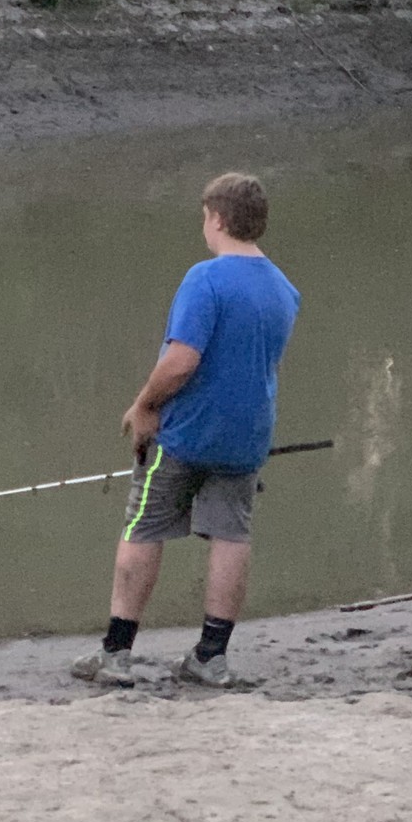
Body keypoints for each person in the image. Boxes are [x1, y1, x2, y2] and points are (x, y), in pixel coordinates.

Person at [72, 170, 300, 690]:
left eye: (205, 217)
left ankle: (116, 654)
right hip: (248, 437)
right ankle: (211, 657)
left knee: (143, 526)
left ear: (217, 219)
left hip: (187, 433)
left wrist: (145, 405)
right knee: (231, 535)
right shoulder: (284, 290)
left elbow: (182, 361)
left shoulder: (206, 279)